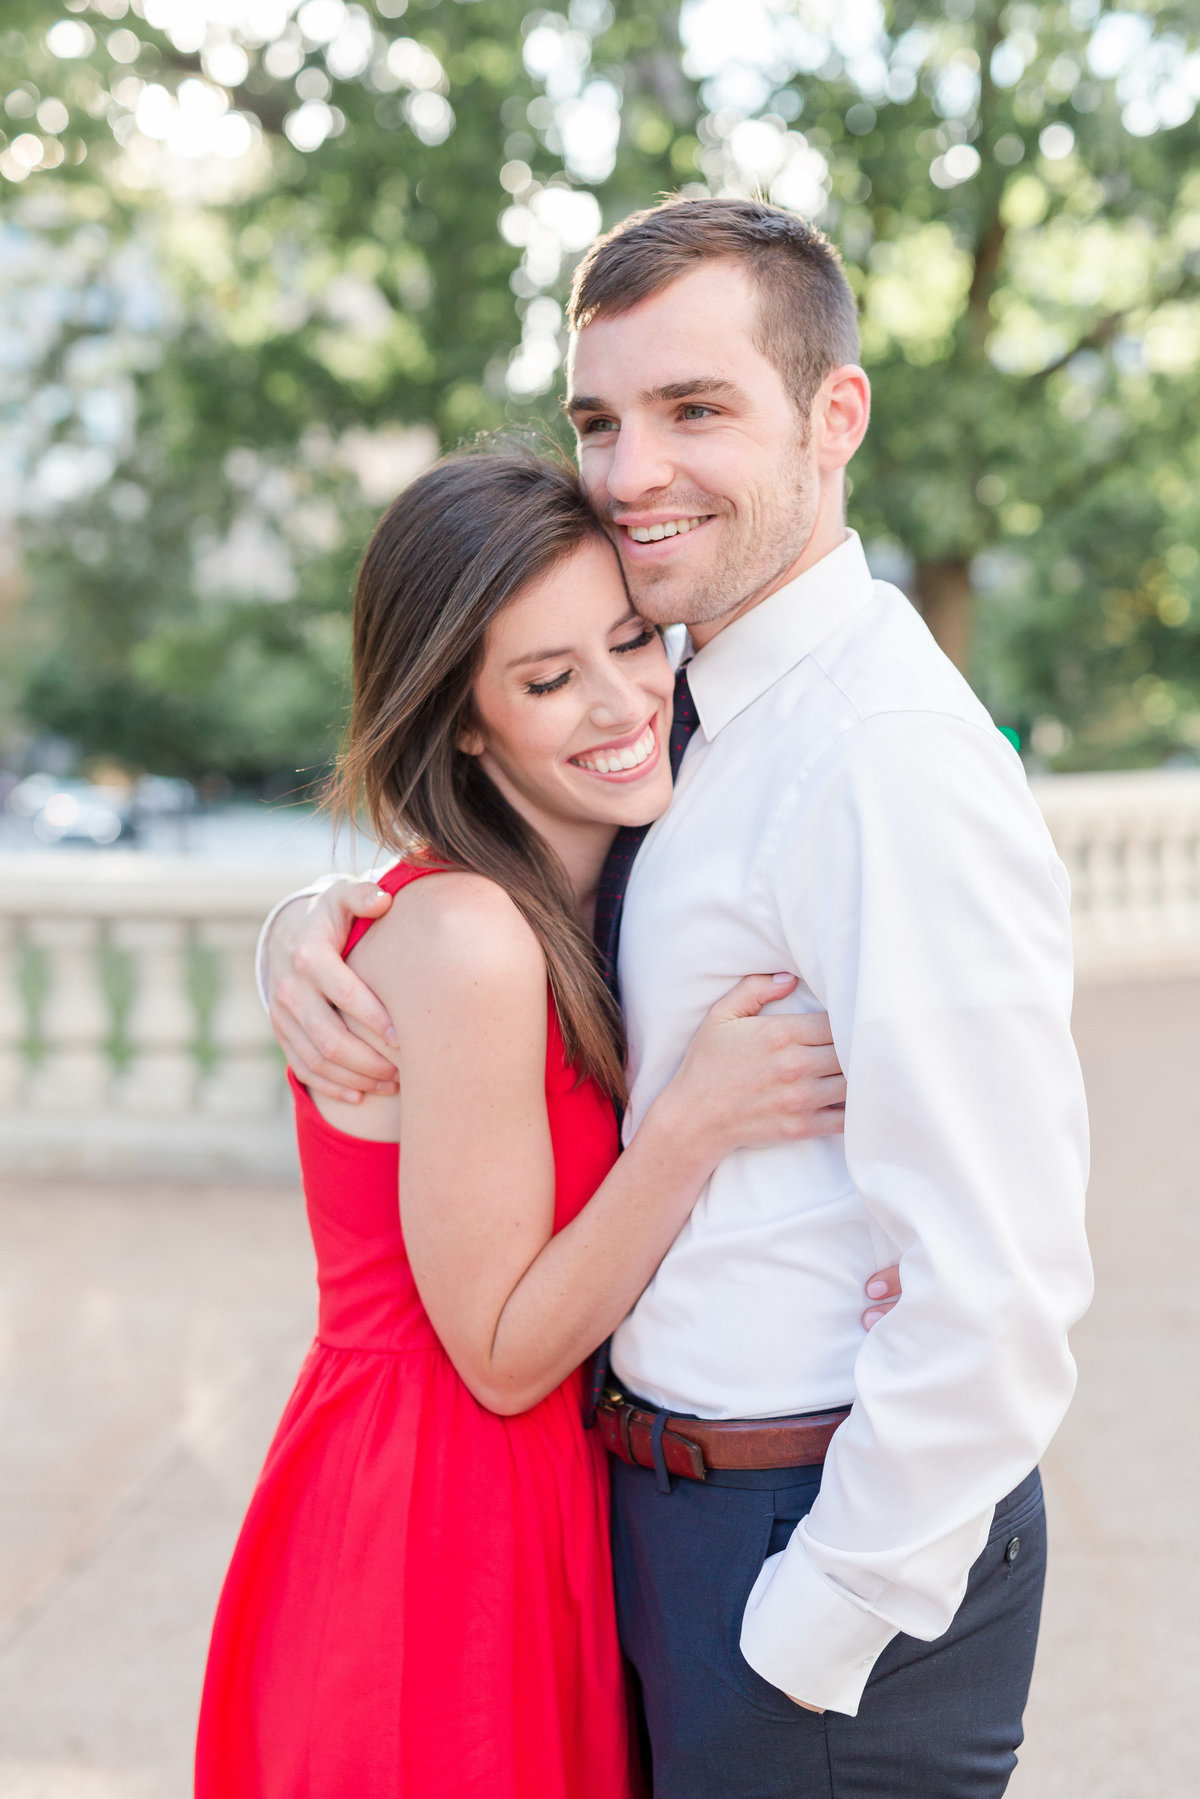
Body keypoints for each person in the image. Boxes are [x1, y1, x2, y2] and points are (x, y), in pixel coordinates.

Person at [260, 199, 1092, 1797]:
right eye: (601, 419)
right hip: (650, 1519)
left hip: (809, 1558)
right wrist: (314, 923)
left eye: (695, 409)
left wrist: (817, 1626)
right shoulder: (703, 701)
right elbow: (495, 880)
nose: (633, 470)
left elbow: (1001, 1275)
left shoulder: (882, 761)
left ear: (834, 416)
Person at [195, 449, 853, 1799]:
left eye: (631, 642)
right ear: (467, 724)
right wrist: (691, 1126)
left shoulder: (583, 894)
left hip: (525, 1496)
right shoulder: (479, 937)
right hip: (433, 1517)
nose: (621, 704)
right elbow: (496, 1353)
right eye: (549, 680)